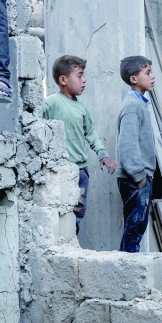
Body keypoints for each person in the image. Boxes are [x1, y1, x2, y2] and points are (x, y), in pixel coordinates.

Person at [43, 55, 117, 233]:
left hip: (81, 173)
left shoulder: (82, 106)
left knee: (77, 213)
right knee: (59, 214)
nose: (84, 81)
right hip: (59, 171)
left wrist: (103, 154)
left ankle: (72, 244)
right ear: (63, 80)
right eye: (79, 76)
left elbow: (90, 133)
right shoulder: (51, 103)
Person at [116, 56, 157, 253]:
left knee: (135, 229)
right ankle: (127, 276)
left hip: (138, 177)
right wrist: (140, 177)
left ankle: (127, 272)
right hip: (135, 178)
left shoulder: (140, 104)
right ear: (134, 79)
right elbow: (127, 146)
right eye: (147, 73)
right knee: (134, 229)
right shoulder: (133, 105)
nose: (152, 76)